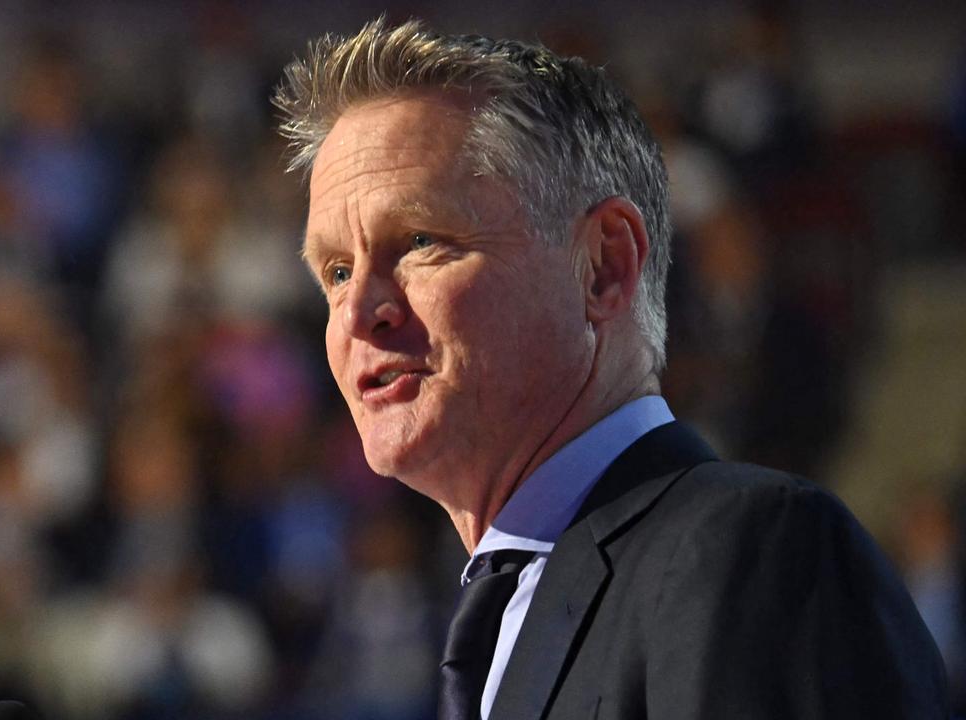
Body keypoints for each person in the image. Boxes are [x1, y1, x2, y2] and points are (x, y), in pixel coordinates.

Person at [274, 18, 947, 720]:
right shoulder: (502, 615)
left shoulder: (749, 554)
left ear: (603, 267)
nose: (358, 314)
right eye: (338, 271)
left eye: (418, 241)